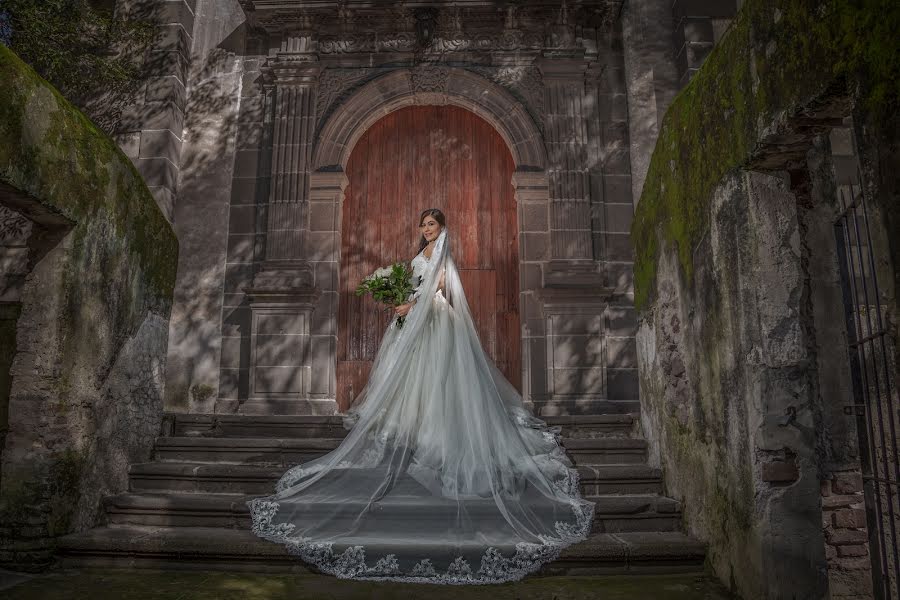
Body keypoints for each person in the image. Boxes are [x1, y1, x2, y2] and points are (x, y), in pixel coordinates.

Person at [247, 208, 594, 584]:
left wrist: (412, 304)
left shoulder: (443, 256)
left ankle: (435, 433)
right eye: (424, 225)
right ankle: (409, 430)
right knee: (407, 379)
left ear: (442, 228)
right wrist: (399, 299)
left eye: (433, 225)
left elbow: (438, 288)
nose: (427, 230)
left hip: (433, 320)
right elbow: (413, 283)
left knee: (438, 378)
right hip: (410, 319)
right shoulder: (419, 255)